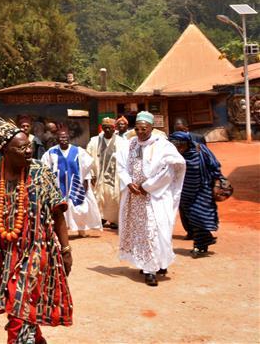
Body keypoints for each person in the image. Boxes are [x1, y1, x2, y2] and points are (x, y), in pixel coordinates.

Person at [0, 100, 73, 344]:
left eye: (29, 146)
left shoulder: (41, 172)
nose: (28, 151)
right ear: (5, 150)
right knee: (15, 301)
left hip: (36, 250)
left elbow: (57, 211)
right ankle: (35, 339)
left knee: (21, 297)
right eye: (21, 148)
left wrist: (66, 248)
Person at [116, 111, 186, 286]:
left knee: (156, 231)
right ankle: (149, 266)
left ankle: (153, 268)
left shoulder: (163, 146)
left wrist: (147, 187)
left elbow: (170, 169)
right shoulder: (129, 144)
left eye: (144, 129)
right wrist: (128, 183)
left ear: (152, 128)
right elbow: (121, 166)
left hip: (155, 197)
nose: (140, 132)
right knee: (140, 233)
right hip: (134, 198)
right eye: (137, 129)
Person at [169, 131, 222, 257]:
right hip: (184, 192)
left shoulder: (201, 150)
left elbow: (214, 166)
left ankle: (199, 246)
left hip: (202, 189)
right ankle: (205, 241)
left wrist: (216, 183)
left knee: (198, 216)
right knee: (192, 219)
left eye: (181, 145)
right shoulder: (172, 155)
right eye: (176, 146)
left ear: (187, 143)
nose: (179, 148)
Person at [44, 129, 103, 235]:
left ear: (69, 138)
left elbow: (86, 167)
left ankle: (81, 229)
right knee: (60, 207)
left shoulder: (78, 151)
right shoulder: (51, 152)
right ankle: (63, 230)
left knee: (79, 207)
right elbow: (45, 168)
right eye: (61, 137)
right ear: (57, 139)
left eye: (66, 137)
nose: (64, 140)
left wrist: (86, 180)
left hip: (75, 183)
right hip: (58, 185)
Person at [86, 118, 128, 228]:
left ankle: (115, 220)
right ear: (102, 128)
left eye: (110, 127)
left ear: (115, 128)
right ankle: (102, 218)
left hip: (115, 175)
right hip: (99, 174)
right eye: (105, 127)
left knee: (115, 196)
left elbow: (126, 159)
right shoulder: (94, 141)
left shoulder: (122, 142)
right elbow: (88, 158)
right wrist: (91, 173)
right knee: (99, 196)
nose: (108, 129)